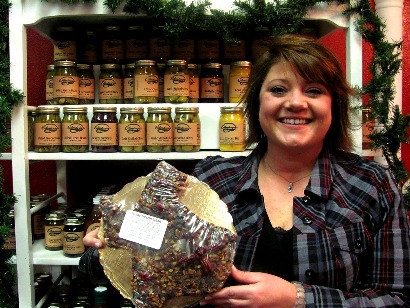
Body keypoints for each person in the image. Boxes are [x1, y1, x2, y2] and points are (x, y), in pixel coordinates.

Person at [82, 34, 410, 307]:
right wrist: (115, 238)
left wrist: (297, 299)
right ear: (257, 105)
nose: (296, 103)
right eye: (278, 89)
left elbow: (397, 298)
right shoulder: (212, 180)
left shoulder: (371, 184)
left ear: (333, 105)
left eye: (313, 90)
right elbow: (155, 256)